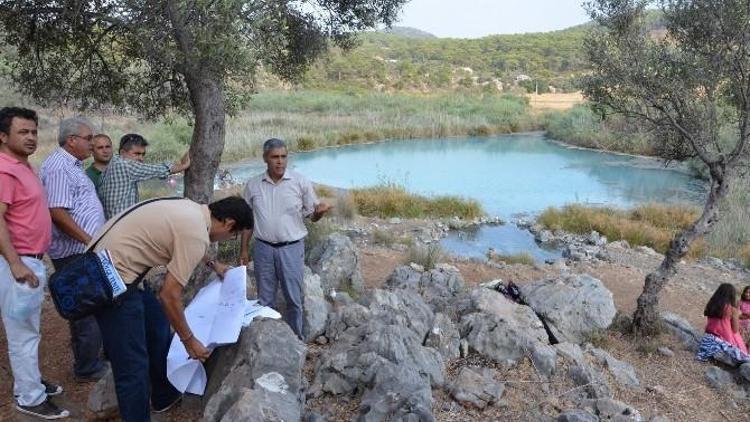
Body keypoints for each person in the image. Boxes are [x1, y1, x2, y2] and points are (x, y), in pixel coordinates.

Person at [91, 196, 252, 421]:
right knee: (132, 364)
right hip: (109, 281)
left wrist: (214, 264)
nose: (228, 239)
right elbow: (168, 296)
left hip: (118, 269)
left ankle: (164, 395)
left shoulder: (192, 210)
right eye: (233, 235)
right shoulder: (196, 233)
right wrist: (189, 341)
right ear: (228, 224)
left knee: (157, 325)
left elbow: (186, 243)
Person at [0, 107, 69, 419]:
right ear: (3, 136)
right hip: (17, 263)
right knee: (22, 334)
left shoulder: (23, 166)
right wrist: (15, 263)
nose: (30, 137)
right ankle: (29, 397)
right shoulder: (4, 170)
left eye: (33, 131)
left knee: (29, 330)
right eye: (22, 132)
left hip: (31, 260)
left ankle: (29, 383)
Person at [240, 138, 333, 339]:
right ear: (265, 158)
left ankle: (296, 341)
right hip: (263, 249)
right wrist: (244, 250)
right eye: (275, 157)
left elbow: (312, 216)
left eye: (283, 156)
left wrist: (319, 212)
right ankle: (267, 341)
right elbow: (247, 222)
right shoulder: (253, 185)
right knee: (265, 299)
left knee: (294, 298)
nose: (280, 161)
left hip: (292, 248)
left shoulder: (300, 182)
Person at [40, 116, 109, 383]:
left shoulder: (72, 165)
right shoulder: (59, 166)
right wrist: (88, 240)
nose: (92, 144)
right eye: (88, 138)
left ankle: (91, 358)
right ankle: (88, 367)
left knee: (90, 305)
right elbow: (57, 212)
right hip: (74, 251)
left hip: (81, 248)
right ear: (71, 140)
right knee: (85, 308)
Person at [98, 133, 190, 219]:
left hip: (113, 224)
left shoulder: (114, 162)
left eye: (143, 154)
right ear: (122, 153)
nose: (141, 158)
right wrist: (183, 166)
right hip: (119, 224)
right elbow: (158, 170)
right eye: (137, 154)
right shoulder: (125, 165)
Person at [696, 283, 750, 364]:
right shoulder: (732, 309)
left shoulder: (711, 305)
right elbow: (735, 329)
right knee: (738, 337)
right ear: (732, 295)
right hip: (725, 338)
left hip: (709, 333)